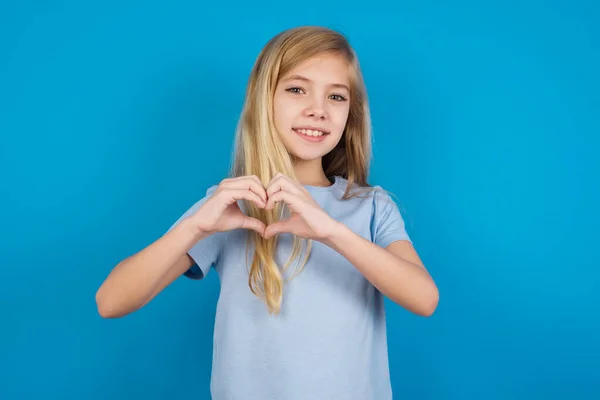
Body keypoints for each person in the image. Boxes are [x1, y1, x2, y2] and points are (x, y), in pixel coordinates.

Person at [96, 25, 439, 400]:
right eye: (296, 89)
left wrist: (331, 231)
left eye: (337, 96)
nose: (318, 110)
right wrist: (194, 227)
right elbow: (111, 302)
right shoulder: (231, 204)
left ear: (350, 114)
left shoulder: (370, 206)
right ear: (265, 100)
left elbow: (424, 299)